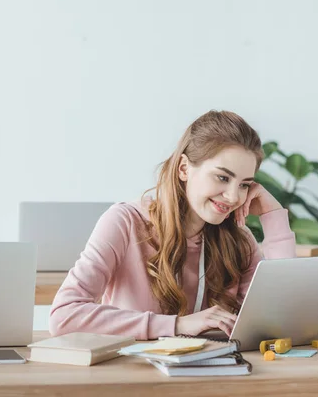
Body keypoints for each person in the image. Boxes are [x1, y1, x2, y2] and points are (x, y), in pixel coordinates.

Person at [48, 110, 296, 340]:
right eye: (222, 177)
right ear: (184, 168)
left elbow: (281, 320)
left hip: (216, 380)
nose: (233, 197)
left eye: (244, 185)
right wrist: (177, 325)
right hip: (135, 378)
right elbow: (64, 316)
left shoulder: (238, 238)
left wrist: (272, 214)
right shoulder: (125, 222)